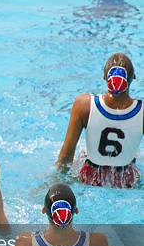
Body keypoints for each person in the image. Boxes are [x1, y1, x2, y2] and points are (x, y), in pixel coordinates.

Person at [57, 53, 142, 188]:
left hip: (90, 177)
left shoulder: (84, 105)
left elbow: (66, 155)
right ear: (133, 78)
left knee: (83, 154)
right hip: (127, 180)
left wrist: (58, 183)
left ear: (105, 78)